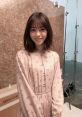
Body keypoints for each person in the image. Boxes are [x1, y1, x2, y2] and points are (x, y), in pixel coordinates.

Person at [16, 12, 64, 117]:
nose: (38, 34)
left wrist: (57, 110)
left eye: (42, 29)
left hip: (50, 108)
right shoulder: (22, 56)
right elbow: (24, 91)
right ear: (28, 32)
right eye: (33, 29)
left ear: (48, 31)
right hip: (30, 109)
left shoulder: (54, 56)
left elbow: (57, 86)